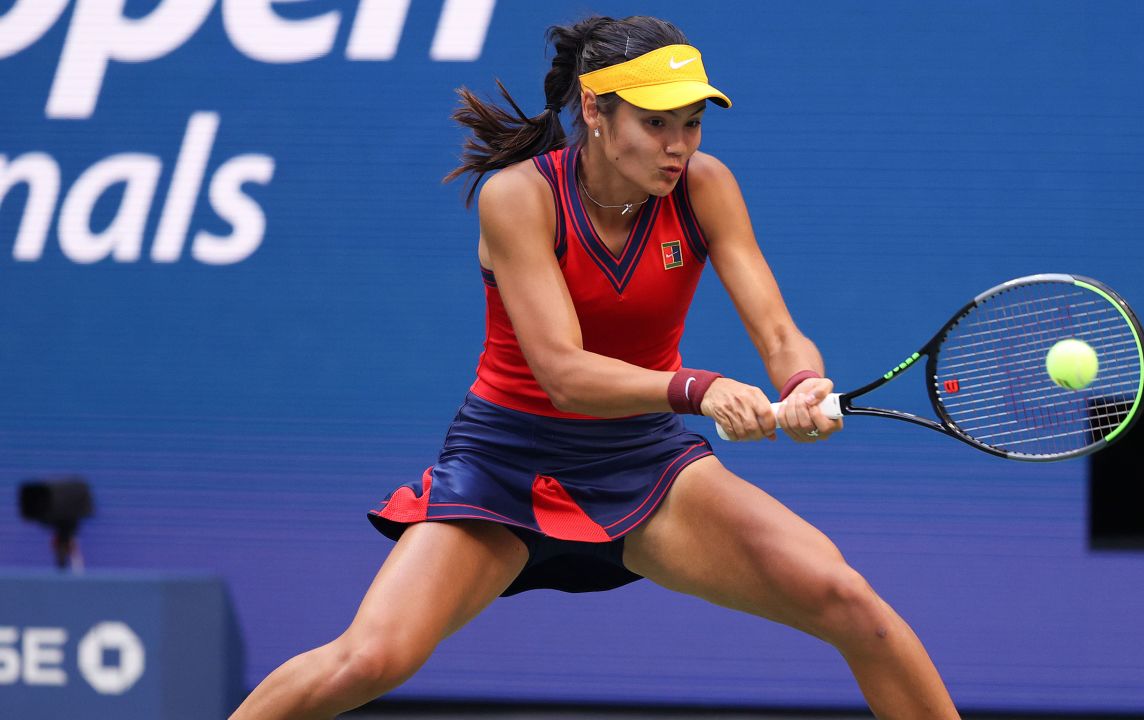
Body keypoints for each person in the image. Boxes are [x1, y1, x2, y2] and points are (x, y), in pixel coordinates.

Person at [231, 15, 960, 720]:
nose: (678, 146)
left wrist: (802, 383)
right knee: (367, 662)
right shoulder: (519, 198)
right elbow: (564, 375)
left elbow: (777, 331)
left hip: (646, 463)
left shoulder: (706, 188)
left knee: (848, 601)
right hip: (506, 467)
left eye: (692, 123)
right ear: (596, 111)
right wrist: (699, 390)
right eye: (656, 122)